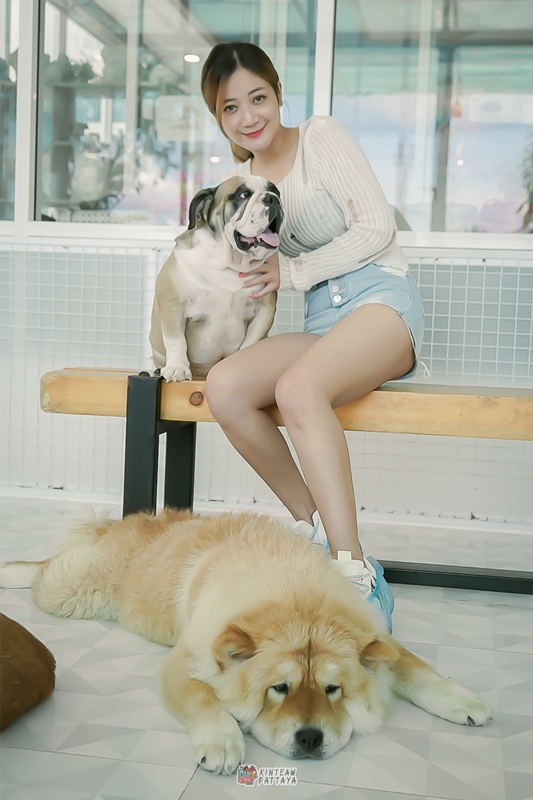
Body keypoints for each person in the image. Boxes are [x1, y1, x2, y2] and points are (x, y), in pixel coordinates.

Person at [200, 42, 425, 633]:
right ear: (218, 118)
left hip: (380, 302)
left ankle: (354, 569)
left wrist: (292, 271)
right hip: (324, 322)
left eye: (258, 98)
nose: (248, 117)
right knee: (225, 387)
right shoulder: (241, 184)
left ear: (278, 93)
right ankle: (316, 527)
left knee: (298, 388)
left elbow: (376, 227)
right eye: (230, 108)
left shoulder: (321, 136)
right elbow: (246, 274)